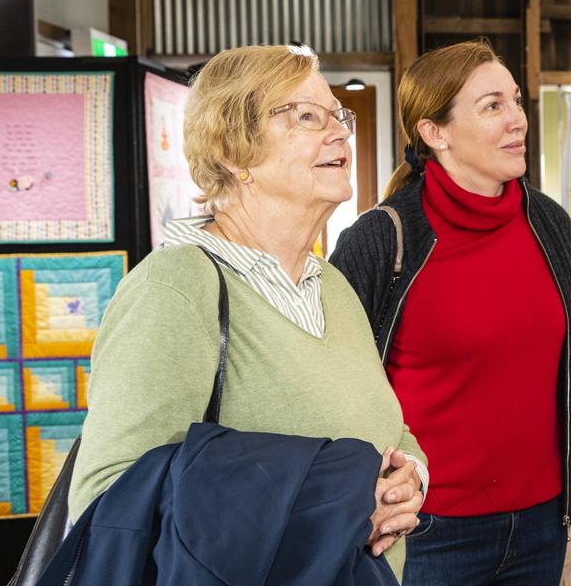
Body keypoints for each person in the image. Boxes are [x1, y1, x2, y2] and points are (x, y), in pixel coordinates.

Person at [70, 44, 427, 579]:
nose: (339, 133)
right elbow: (109, 504)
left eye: (337, 115)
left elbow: (389, 430)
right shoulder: (174, 290)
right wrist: (334, 501)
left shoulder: (331, 285)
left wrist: (409, 479)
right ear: (233, 152)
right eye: (307, 116)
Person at [330, 40, 571, 585]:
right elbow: (335, 386)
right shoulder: (381, 240)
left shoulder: (551, 227)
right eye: (492, 106)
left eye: (515, 100)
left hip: (542, 525)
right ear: (434, 132)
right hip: (426, 533)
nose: (517, 119)